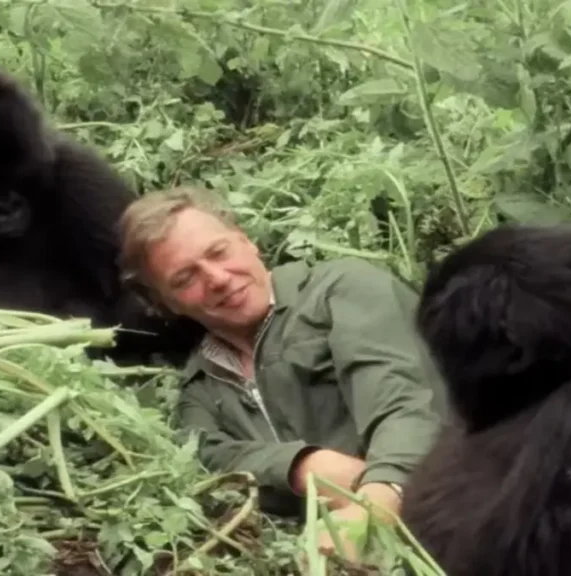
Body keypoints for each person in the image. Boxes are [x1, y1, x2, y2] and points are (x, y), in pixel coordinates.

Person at [117, 186, 448, 557]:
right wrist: (302, 466)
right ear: (166, 304)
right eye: (185, 279)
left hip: (447, 514)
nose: (218, 278)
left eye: (219, 252)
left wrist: (376, 500)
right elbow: (209, 459)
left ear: (247, 242)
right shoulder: (201, 388)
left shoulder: (342, 289)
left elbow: (406, 397)